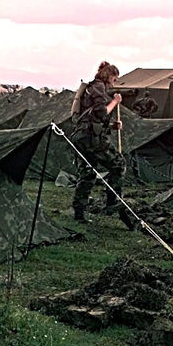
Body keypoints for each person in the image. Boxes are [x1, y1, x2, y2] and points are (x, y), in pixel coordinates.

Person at [70, 61, 131, 229]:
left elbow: (93, 118)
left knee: (88, 174)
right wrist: (115, 102)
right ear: (108, 75)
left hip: (81, 136)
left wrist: (112, 126)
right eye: (114, 78)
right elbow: (102, 112)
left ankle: (79, 213)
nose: (114, 82)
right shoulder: (98, 87)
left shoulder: (91, 88)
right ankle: (112, 202)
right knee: (118, 165)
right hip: (90, 138)